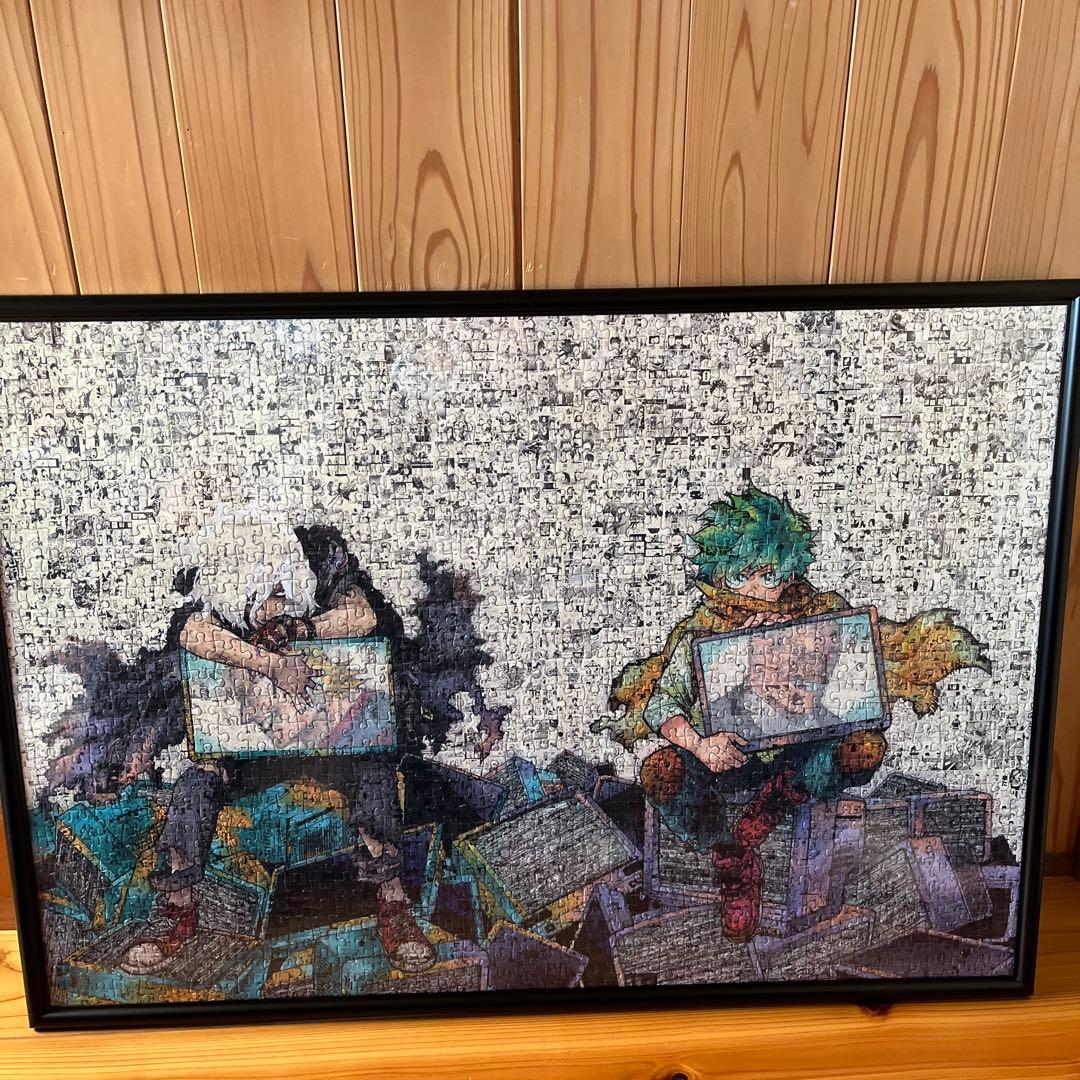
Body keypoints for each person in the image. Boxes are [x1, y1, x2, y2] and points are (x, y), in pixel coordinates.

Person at [609, 483, 989, 942]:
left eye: (772, 574)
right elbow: (662, 705)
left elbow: (859, 687)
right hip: (726, 761)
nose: (759, 587)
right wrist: (702, 743)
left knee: (863, 748)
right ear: (723, 573)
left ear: (791, 570)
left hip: (800, 760)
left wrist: (805, 655)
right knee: (662, 771)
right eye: (745, 574)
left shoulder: (823, 612)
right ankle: (730, 854)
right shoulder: (700, 631)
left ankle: (773, 808)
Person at [111, 508, 436, 976]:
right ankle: (175, 913)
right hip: (248, 757)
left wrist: (302, 631)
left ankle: (394, 906)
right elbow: (191, 633)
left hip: (326, 748)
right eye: (268, 597)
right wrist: (269, 664)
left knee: (374, 774)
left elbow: (362, 616)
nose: (277, 606)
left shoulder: (321, 563)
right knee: (195, 786)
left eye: (283, 594)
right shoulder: (213, 605)